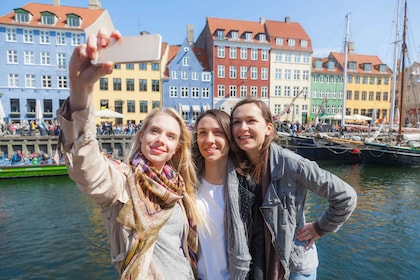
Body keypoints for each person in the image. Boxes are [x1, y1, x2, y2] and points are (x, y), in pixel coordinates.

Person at [56, 29, 201, 279]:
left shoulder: (178, 189)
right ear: (142, 135)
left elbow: (181, 250)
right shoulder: (122, 184)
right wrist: (80, 90)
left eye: (170, 136)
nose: (160, 140)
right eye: (154, 131)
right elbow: (86, 167)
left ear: (177, 147)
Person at [230, 98, 357, 280]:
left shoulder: (291, 164)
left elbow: (346, 197)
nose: (243, 127)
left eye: (251, 121)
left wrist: (320, 227)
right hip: (257, 264)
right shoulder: (236, 167)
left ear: (268, 128)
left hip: (293, 267)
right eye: (237, 122)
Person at [191, 109, 251, 280]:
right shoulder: (186, 184)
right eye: (203, 133)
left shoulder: (247, 188)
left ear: (230, 139)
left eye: (218, 132)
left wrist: (317, 229)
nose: (209, 140)